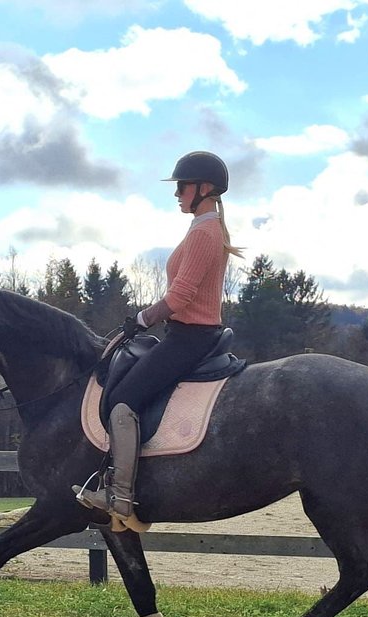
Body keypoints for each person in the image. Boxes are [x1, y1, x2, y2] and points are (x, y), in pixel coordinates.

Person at [75, 150, 243, 523]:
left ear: (203, 188)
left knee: (123, 401)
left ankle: (121, 496)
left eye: (182, 186)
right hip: (186, 333)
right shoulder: (204, 228)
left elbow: (181, 296)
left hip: (190, 337)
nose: (177, 194)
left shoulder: (204, 231)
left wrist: (142, 317)